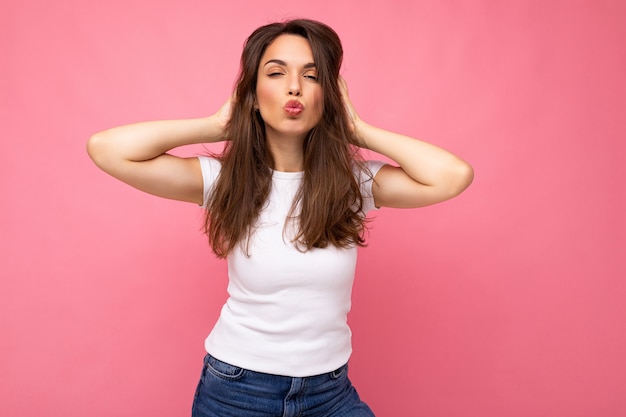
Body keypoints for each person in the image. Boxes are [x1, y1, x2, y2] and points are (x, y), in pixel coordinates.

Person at [87, 18, 473, 417]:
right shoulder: (223, 181)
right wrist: (217, 125)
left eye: (312, 75)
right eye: (276, 73)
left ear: (329, 95)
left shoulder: (352, 184)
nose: (295, 87)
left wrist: (356, 128)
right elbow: (106, 149)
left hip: (330, 394)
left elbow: (452, 176)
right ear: (252, 94)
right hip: (239, 392)